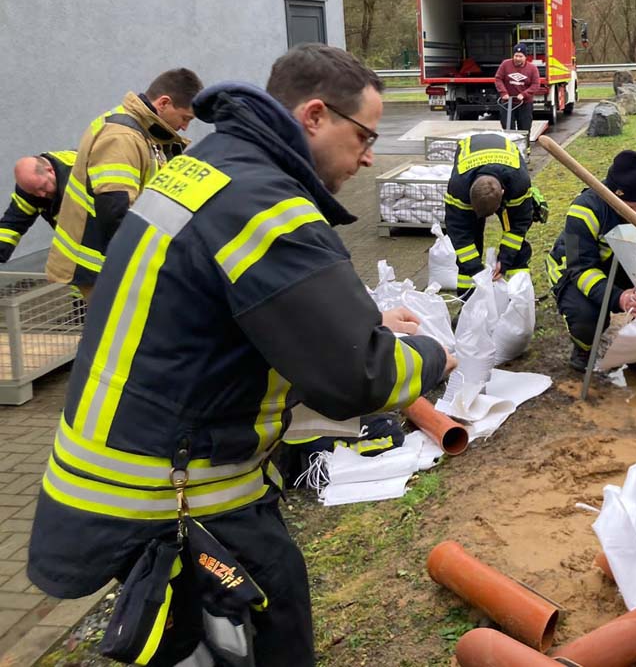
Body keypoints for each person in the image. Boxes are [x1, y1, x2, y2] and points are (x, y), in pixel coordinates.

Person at [27, 43, 453, 666]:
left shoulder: (208, 166)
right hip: (177, 496)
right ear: (314, 116)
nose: (368, 156)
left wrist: (359, 318)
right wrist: (436, 353)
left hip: (118, 471)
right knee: (268, 635)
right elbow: (356, 375)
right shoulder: (267, 206)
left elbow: (229, 306)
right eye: (364, 134)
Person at [45, 68, 202, 296]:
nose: (185, 127)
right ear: (164, 103)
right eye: (185, 118)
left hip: (108, 262)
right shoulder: (122, 137)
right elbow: (115, 210)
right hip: (103, 266)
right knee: (121, 331)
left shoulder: (143, 133)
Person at [547, 151, 636, 379]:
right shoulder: (585, 209)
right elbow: (580, 269)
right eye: (624, 207)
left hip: (633, 268)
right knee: (586, 315)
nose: (631, 214)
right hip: (579, 271)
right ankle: (584, 351)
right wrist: (618, 297)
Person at [443, 132, 534, 294]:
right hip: (470, 154)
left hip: (507, 163)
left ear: (504, 194)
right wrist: (476, 269)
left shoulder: (519, 182)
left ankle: (519, 295)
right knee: (471, 240)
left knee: (517, 246)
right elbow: (459, 232)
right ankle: (468, 300)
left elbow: (519, 225)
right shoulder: (458, 187)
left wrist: (505, 260)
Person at [0, 151, 76, 263]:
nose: (41, 194)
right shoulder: (31, 186)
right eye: (34, 192)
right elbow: (12, 224)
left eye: (43, 187)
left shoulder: (78, 175)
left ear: (51, 171)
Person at [494, 42, 541, 131]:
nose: (518, 58)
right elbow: (498, 79)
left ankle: (524, 144)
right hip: (507, 103)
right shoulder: (505, 64)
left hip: (524, 103)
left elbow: (535, 85)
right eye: (516, 56)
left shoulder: (532, 68)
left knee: (524, 129)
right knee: (507, 127)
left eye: (520, 56)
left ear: (525, 57)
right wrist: (503, 93)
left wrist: (524, 94)